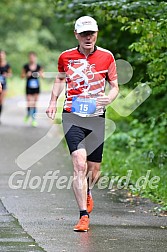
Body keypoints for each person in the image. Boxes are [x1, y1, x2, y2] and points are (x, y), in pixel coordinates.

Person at [46, 16, 119, 232]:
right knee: (79, 163)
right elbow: (60, 78)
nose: (88, 37)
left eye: (92, 33)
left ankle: (88, 192)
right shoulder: (65, 57)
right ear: (76, 34)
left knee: (93, 170)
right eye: (84, 33)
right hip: (72, 115)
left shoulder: (107, 57)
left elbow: (114, 86)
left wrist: (110, 98)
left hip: (96, 116)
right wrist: (52, 101)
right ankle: (83, 216)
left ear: (96, 34)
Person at [21, 52, 43, 127]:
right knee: (29, 102)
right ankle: (28, 113)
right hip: (28, 87)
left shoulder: (39, 66)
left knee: (34, 103)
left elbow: (43, 75)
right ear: (29, 58)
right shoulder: (26, 66)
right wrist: (27, 75)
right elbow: (22, 76)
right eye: (30, 57)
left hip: (36, 87)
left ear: (35, 58)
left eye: (33, 57)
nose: (32, 59)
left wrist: (39, 74)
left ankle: (34, 119)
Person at [0, 50, 12, 123]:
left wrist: (6, 75)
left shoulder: (7, 65)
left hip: (4, 85)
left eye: (2, 54)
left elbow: (10, 74)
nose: (1, 56)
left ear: (5, 56)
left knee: (1, 101)